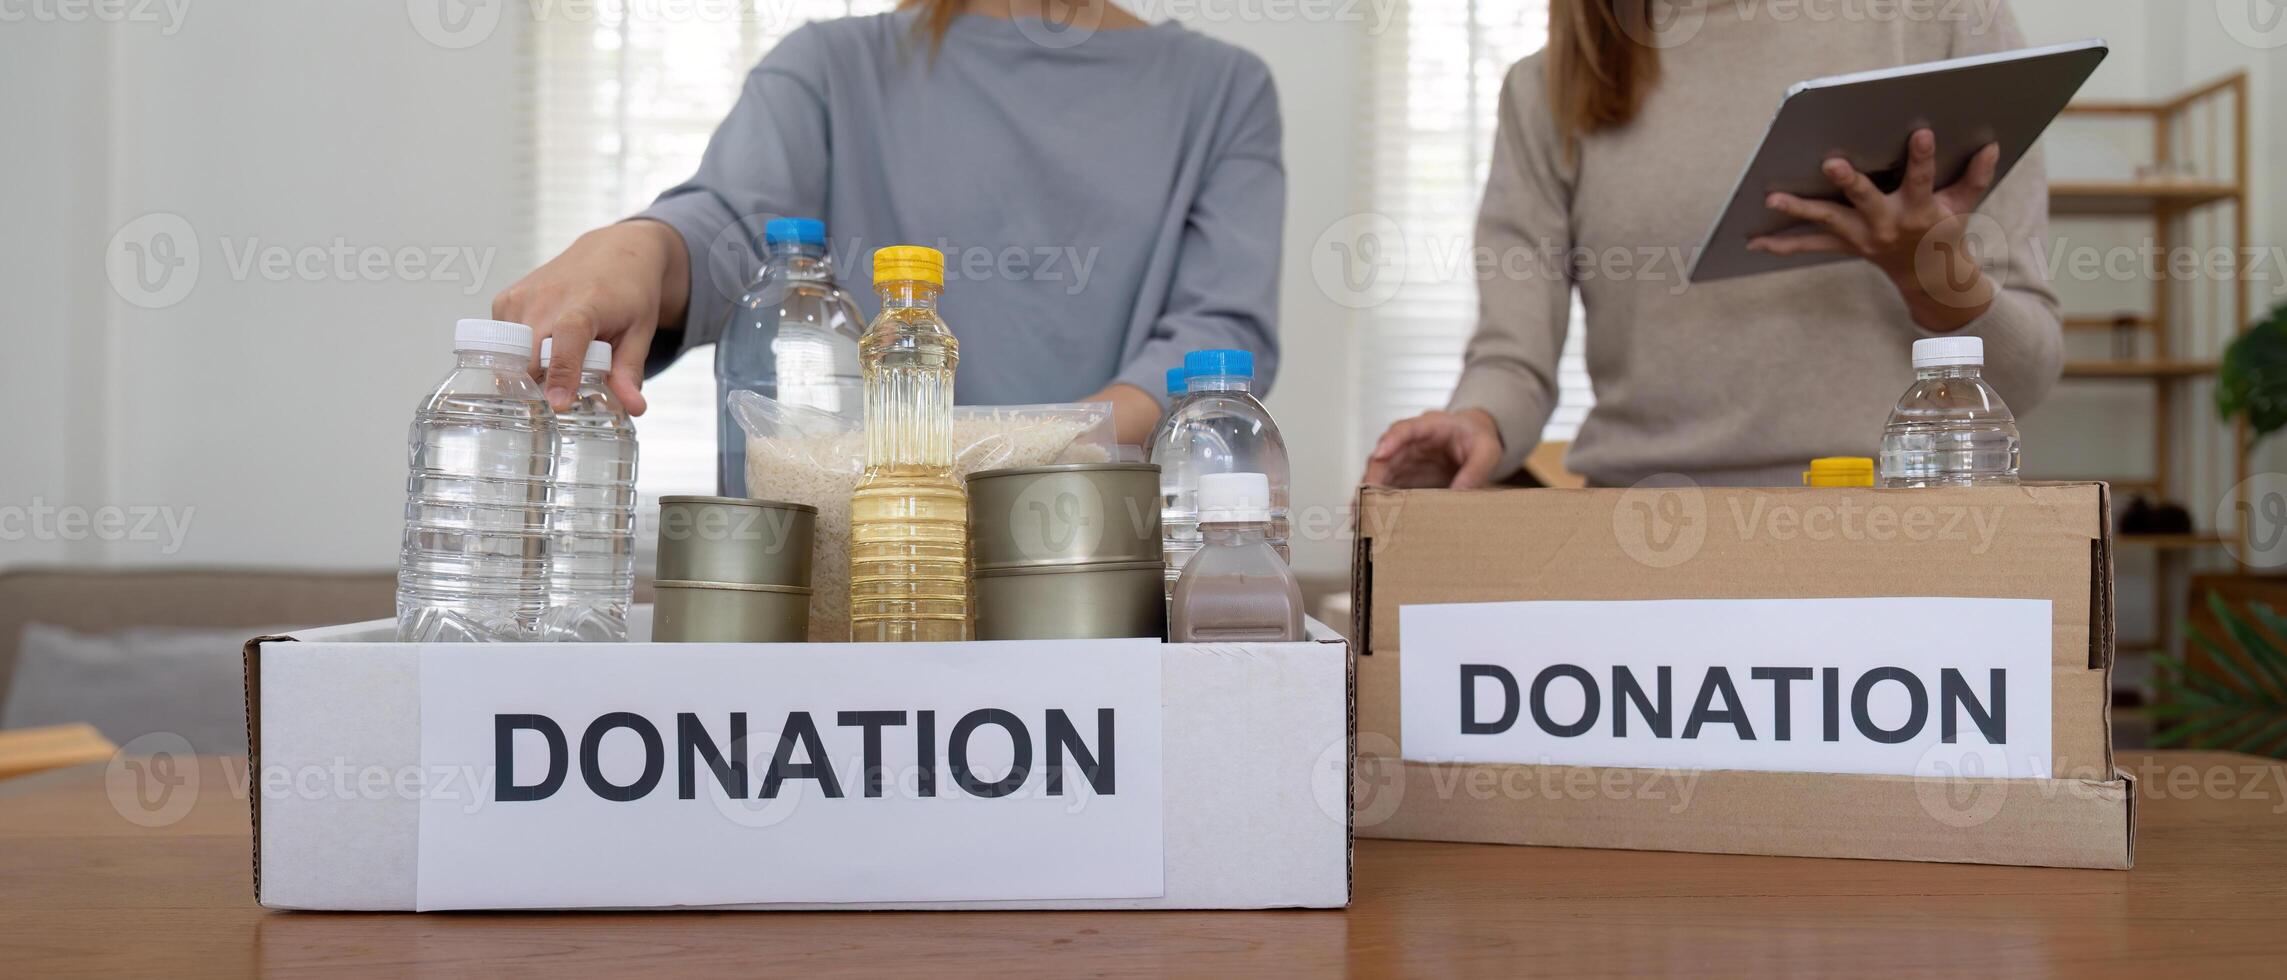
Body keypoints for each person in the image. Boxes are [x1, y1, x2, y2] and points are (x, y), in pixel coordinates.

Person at [493, 0, 1284, 446]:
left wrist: (1047, 453)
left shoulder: (1223, 91)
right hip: (865, 570)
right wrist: (636, 247)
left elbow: (1217, 333)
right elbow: (733, 228)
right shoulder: (830, 68)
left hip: (1092, 567)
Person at [1365, 0, 2063, 489]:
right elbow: (1510, 362)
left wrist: (1925, 275)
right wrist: (1471, 423)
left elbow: (2025, 375)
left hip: (1888, 542)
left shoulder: (1940, 21)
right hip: (1644, 545)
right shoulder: (1546, 88)